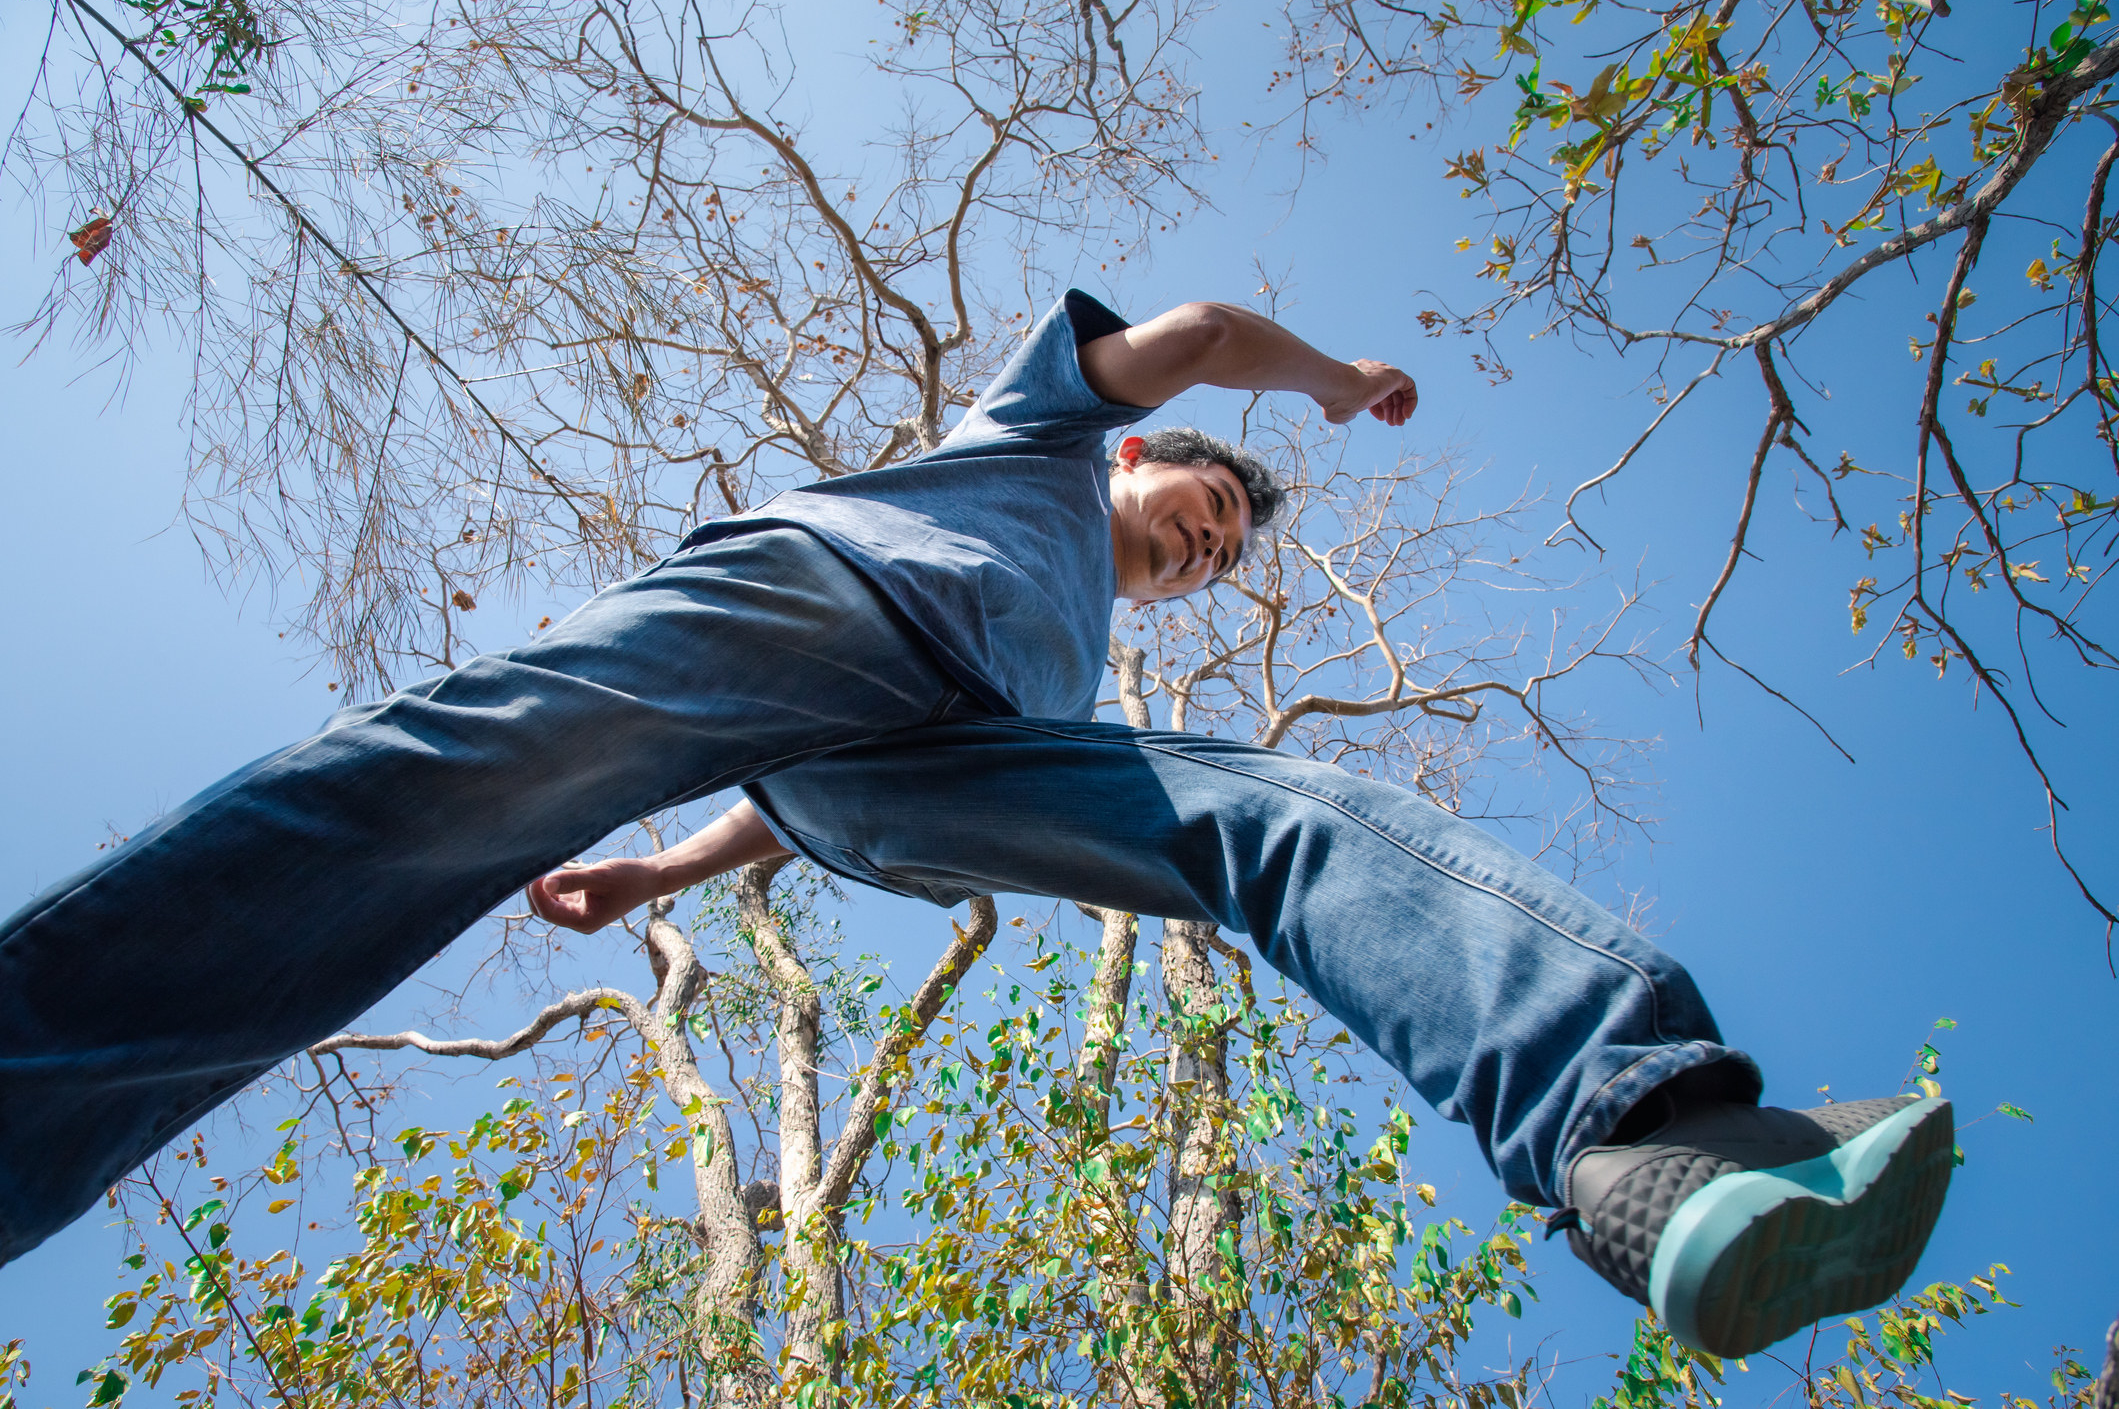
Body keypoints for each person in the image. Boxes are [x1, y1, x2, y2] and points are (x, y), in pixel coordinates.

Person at [0, 291, 1950, 1358]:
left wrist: (653, 871)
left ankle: (1651, 1144)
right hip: (825, 600)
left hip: (898, 774)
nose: (1205, 546)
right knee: (425, 801)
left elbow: (790, 817)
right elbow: (1187, 330)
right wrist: (1328, 377)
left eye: (1217, 562)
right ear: (1132, 456)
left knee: (1265, 817)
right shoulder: (1029, 433)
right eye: (1200, 510)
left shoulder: (1082, 654)